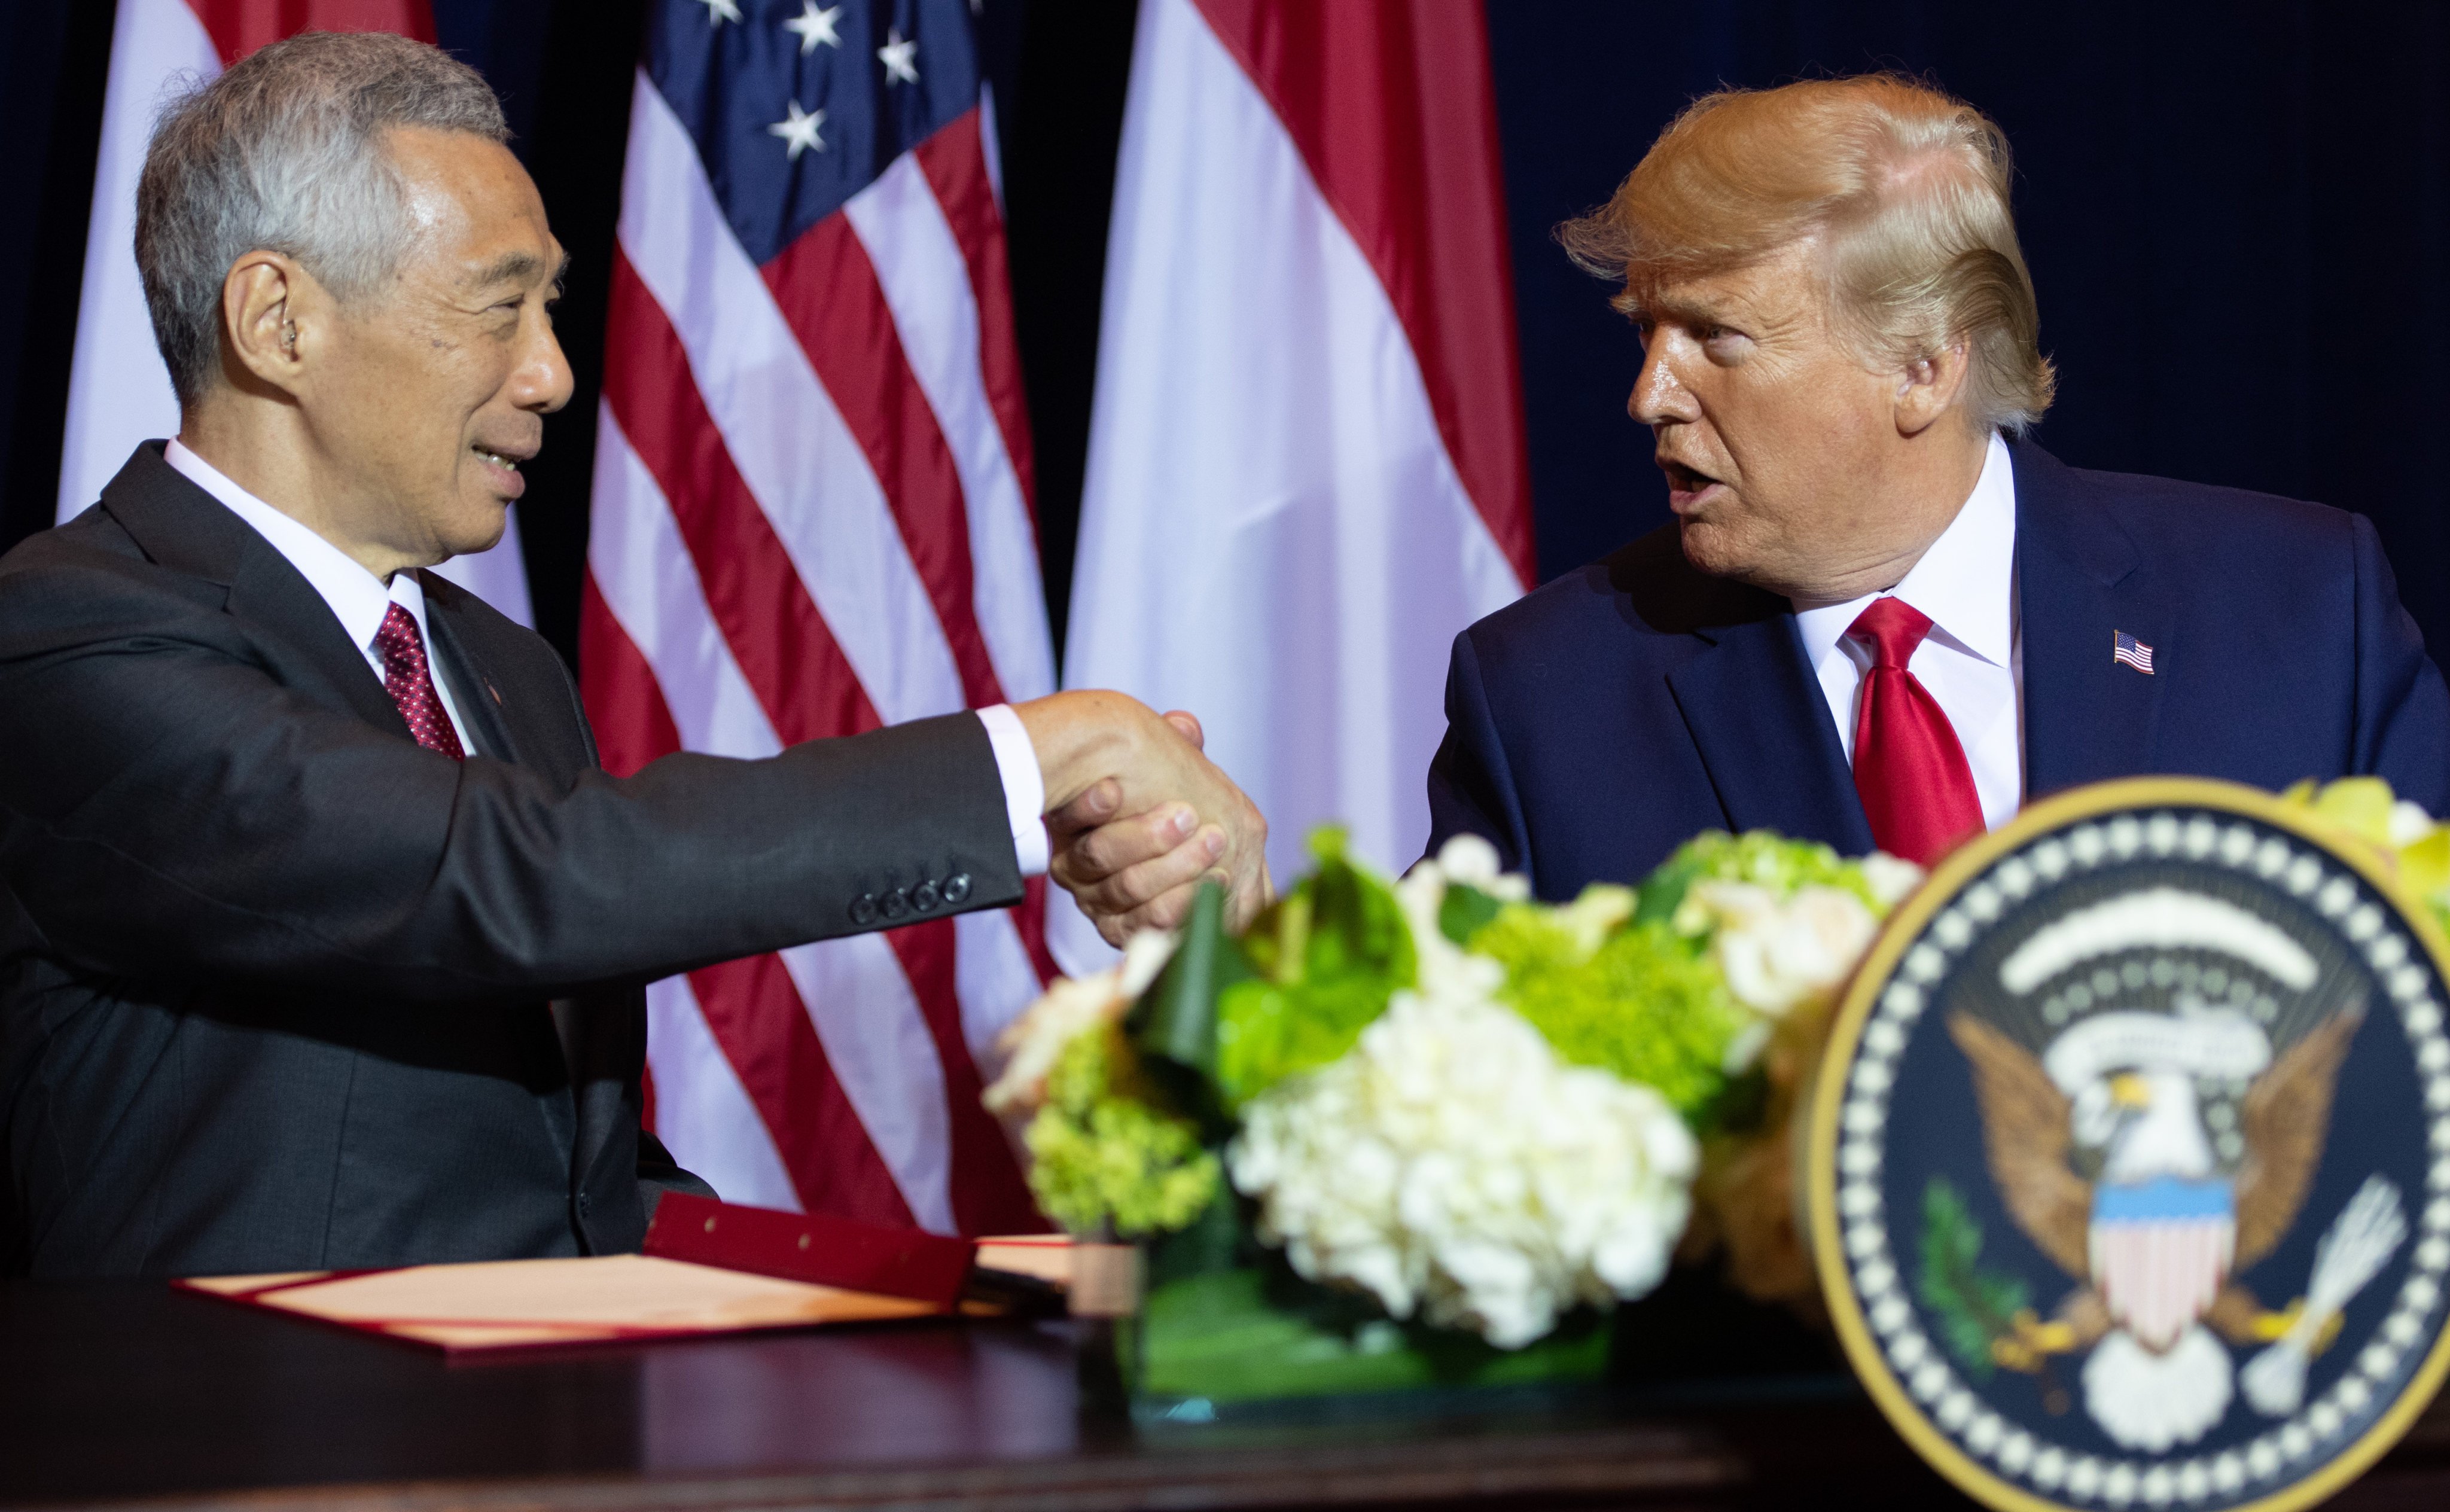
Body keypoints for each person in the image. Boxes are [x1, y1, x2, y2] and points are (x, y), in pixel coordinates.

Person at [0, 34, 1264, 1278]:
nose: (551, 372)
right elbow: (507, 878)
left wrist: (939, 1294)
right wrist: (1028, 762)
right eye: (500, 307)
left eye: (549, 307)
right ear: (278, 320)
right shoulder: (65, 633)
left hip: (555, 1447)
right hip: (255, 1463)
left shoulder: (501, 670)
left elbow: (580, 1182)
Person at [1425, 74, 2450, 898]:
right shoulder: (1545, 702)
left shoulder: (2306, 619)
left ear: (1923, 364)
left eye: (1715, 338)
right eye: (1647, 333)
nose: (1650, 396)